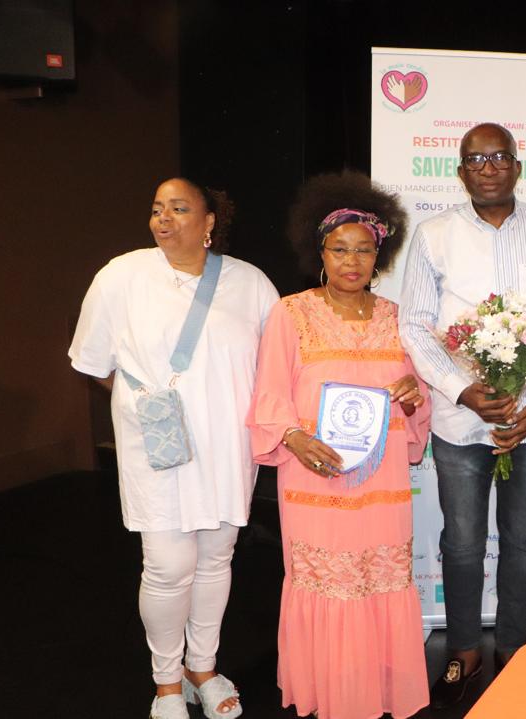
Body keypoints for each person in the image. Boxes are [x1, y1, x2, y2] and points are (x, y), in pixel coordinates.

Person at [68, 178, 279, 719]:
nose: (163, 218)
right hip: (158, 448)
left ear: (209, 221)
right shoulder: (121, 276)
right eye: (157, 208)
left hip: (227, 446)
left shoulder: (250, 283)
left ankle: (202, 667)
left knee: (216, 559)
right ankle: (166, 681)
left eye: (179, 208)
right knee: (167, 566)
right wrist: (148, 405)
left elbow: (278, 365)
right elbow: (95, 362)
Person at [399, 122, 526, 709]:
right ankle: (464, 649)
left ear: (517, 166)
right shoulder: (434, 235)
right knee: (462, 543)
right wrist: (463, 390)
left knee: (521, 540)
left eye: (500, 156)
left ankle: (513, 648)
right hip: (460, 423)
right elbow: (414, 325)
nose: (489, 167)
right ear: (461, 172)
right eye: (476, 159)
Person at [246, 171, 430, 719]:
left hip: (382, 482)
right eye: (340, 249)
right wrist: (294, 437)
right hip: (314, 476)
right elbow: (269, 394)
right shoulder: (290, 313)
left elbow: (418, 401)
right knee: (325, 583)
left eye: (364, 250)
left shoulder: (398, 320)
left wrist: (414, 395)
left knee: (382, 579)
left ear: (379, 257)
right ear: (320, 254)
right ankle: (331, 692)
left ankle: (379, 689)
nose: (352, 261)